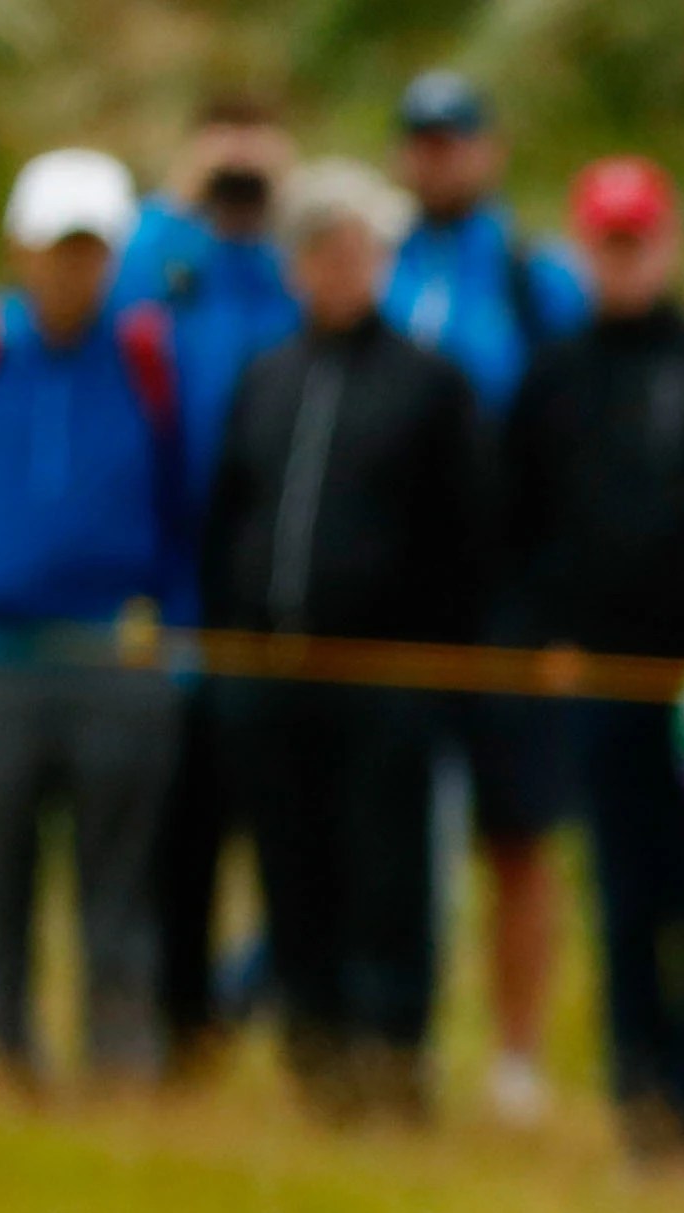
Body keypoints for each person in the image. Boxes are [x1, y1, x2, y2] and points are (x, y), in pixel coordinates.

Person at [0, 148, 192, 1086]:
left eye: (91, 250)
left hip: (113, 658)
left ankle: (120, 1063)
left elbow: (190, 504)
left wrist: (173, 631)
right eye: (57, 248)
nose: (72, 268)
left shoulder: (147, 358)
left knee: (116, 880)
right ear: (19, 250)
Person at [201, 160, 492, 1122]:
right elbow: (229, 520)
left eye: (357, 249)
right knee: (294, 874)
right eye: (322, 250)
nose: (340, 267)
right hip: (272, 676)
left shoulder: (430, 384)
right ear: (295, 266)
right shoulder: (267, 378)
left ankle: (391, 1065)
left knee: (388, 882)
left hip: (386, 680)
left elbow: (467, 540)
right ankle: (315, 1065)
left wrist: (433, 675)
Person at [510, 156, 684, 1177]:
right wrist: (551, 636)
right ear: (585, 249)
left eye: (640, 240)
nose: (625, 259)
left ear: (670, 242)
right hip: (600, 679)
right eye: (607, 243)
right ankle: (642, 1110)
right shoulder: (555, 373)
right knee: (624, 900)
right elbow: (516, 521)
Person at [382, 69, 591, 1125]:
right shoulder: (378, 267)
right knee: (394, 829)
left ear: (489, 149)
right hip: (403, 593)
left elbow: (567, 441)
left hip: (511, 595)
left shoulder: (533, 279)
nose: (436, 157)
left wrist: (555, 599)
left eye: (454, 139)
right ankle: (396, 1038)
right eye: (419, 140)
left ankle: (516, 1057)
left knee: (518, 833)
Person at [118, 95, 307, 1066]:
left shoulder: (293, 271)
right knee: (178, 845)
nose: (239, 180)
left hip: (284, 607)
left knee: (302, 845)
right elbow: (110, 314)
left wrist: (282, 202)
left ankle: (269, 1008)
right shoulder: (162, 265)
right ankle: (180, 1033)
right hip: (174, 603)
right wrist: (174, 205)